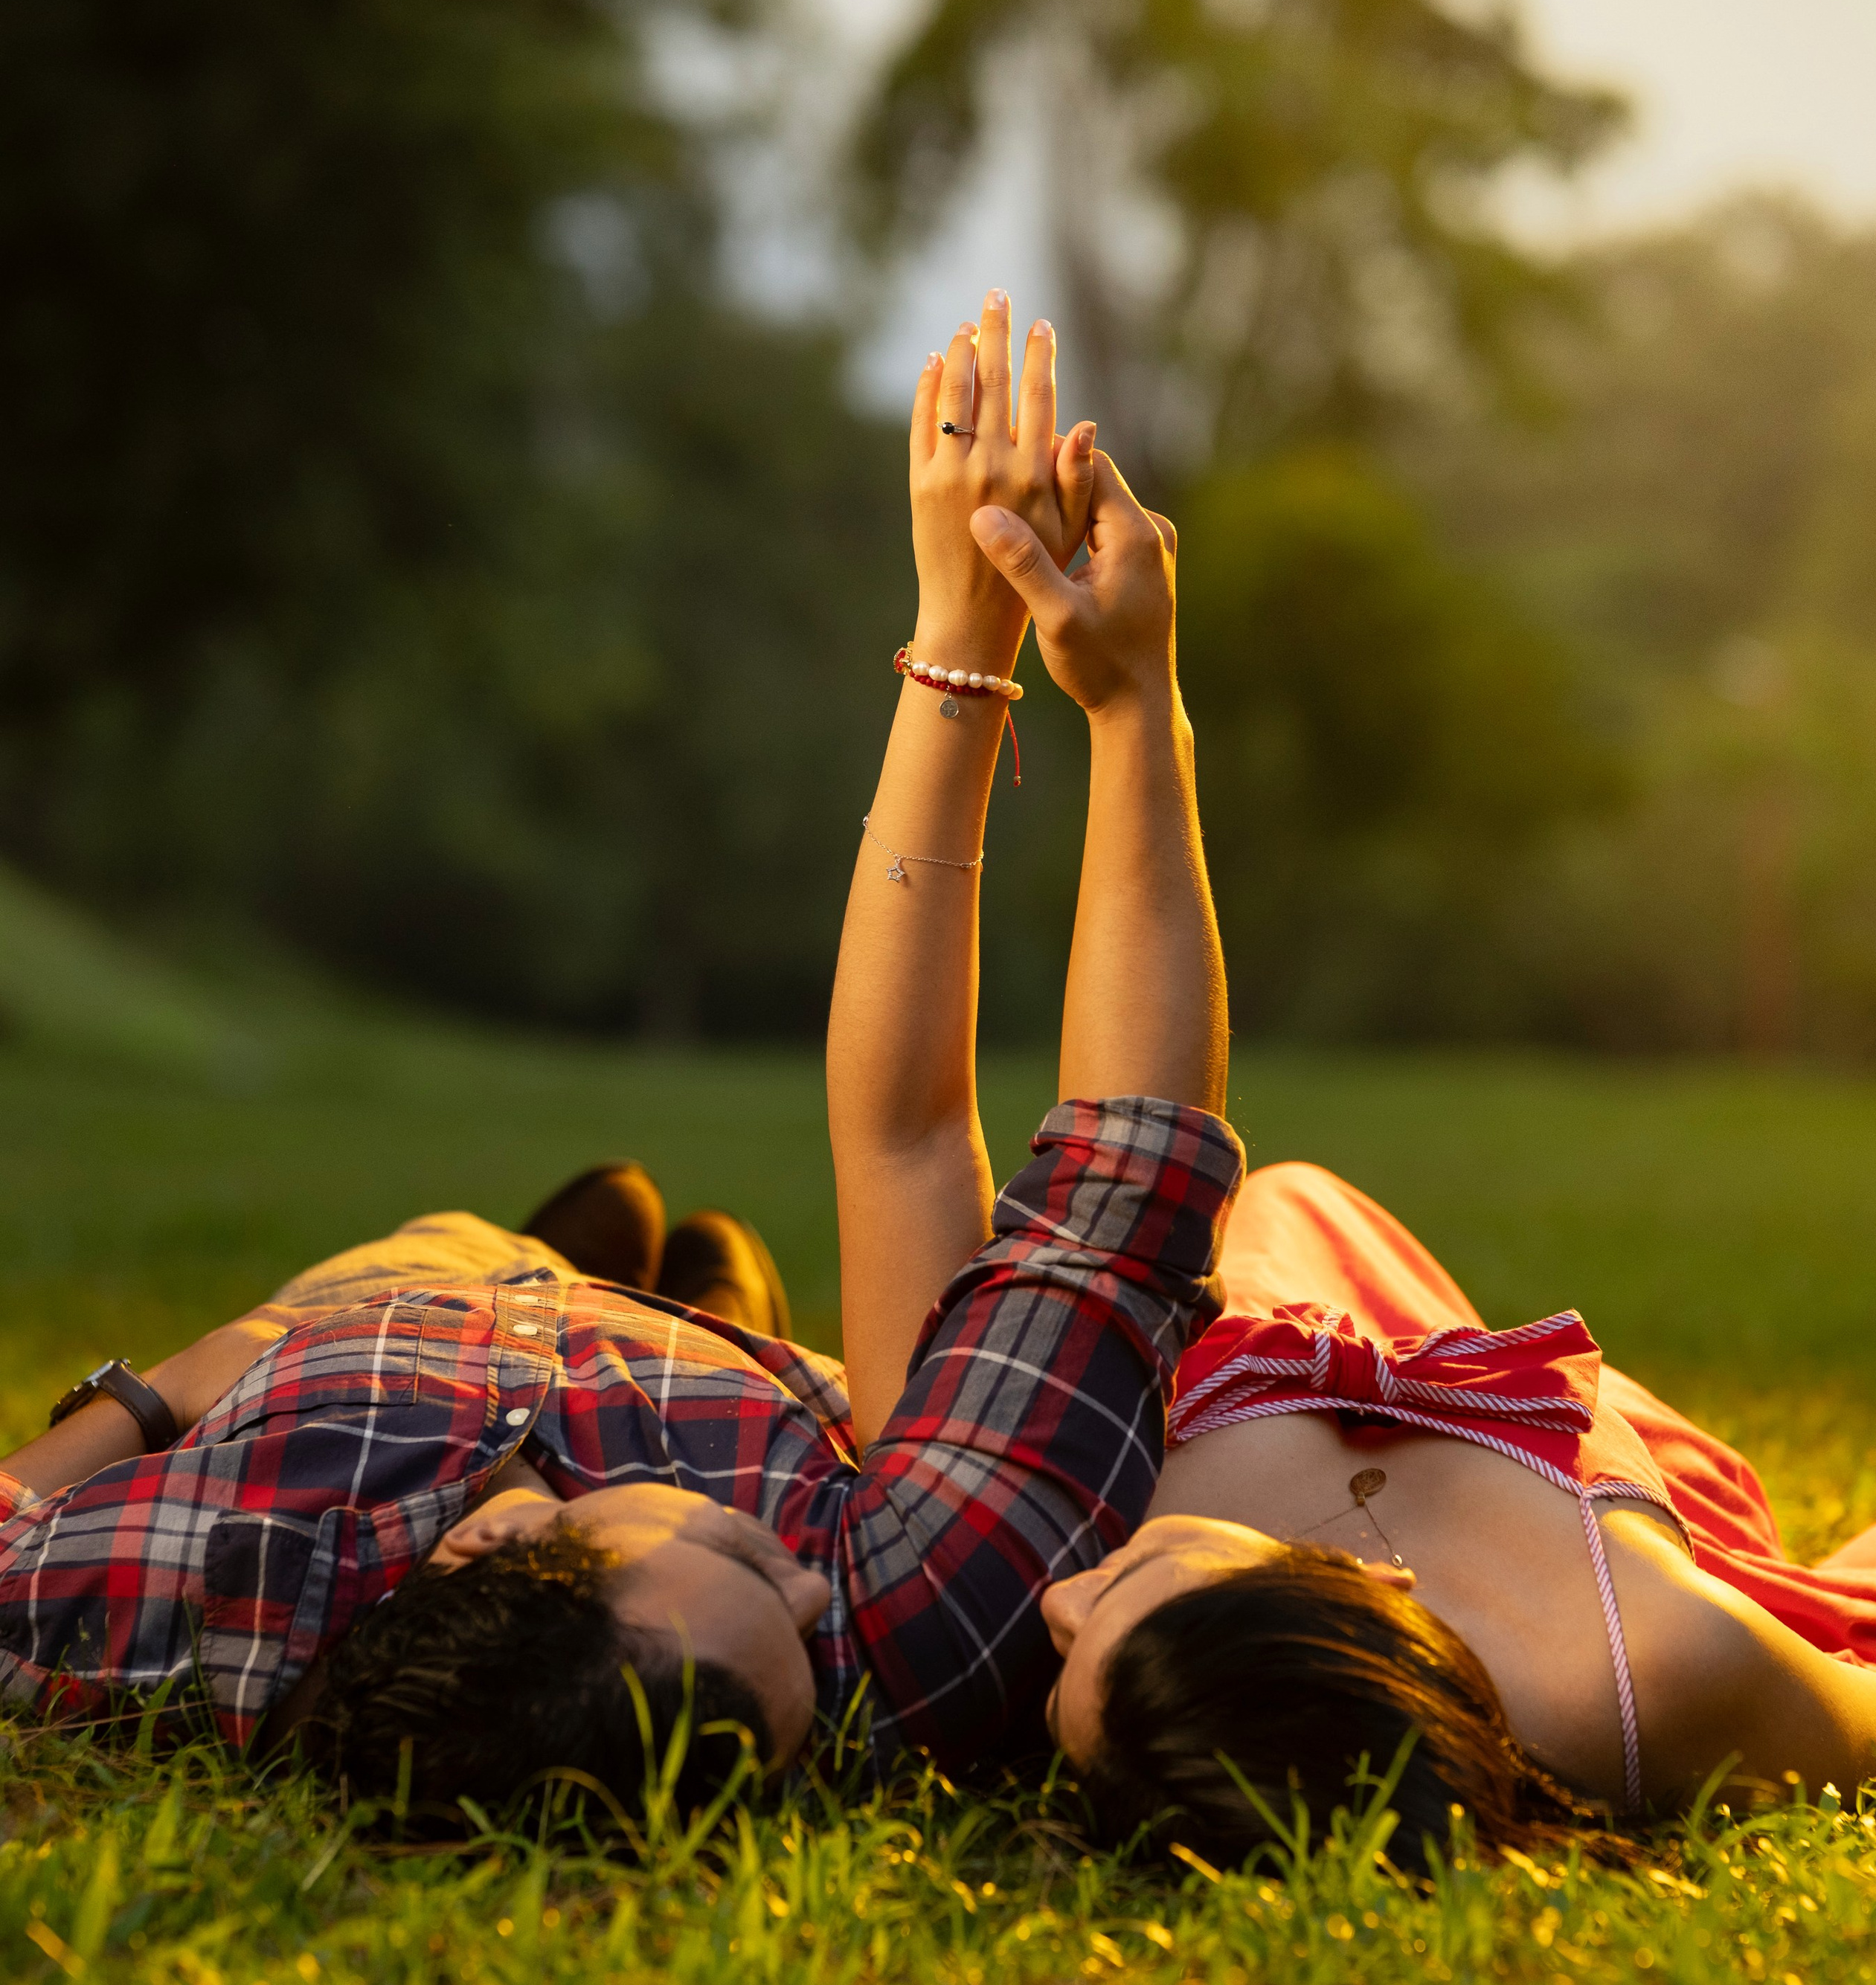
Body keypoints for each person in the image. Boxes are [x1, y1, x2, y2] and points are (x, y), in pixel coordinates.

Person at [0, 292, 1239, 1827]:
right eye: (802, 1634)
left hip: (413, 1349)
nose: (805, 1586)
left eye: (745, 1569)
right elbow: (1047, 1165)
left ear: (495, 1547)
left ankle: (549, 1269)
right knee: (730, 1345)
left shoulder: (203, 1583)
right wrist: (1113, 696)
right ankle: (689, 1306)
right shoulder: (894, 1636)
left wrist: (155, 1398)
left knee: (432, 1251)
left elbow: (23, 1523)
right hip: (725, 1403)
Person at [1033, 1151, 1876, 1874]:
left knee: (1282, 1196)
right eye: (1114, 1586)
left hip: (1331, 1295)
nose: (1055, 1603)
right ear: (1350, 1587)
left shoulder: (1119, 1561)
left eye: (1120, 1583)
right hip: (1640, 1486)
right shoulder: (1659, 1662)